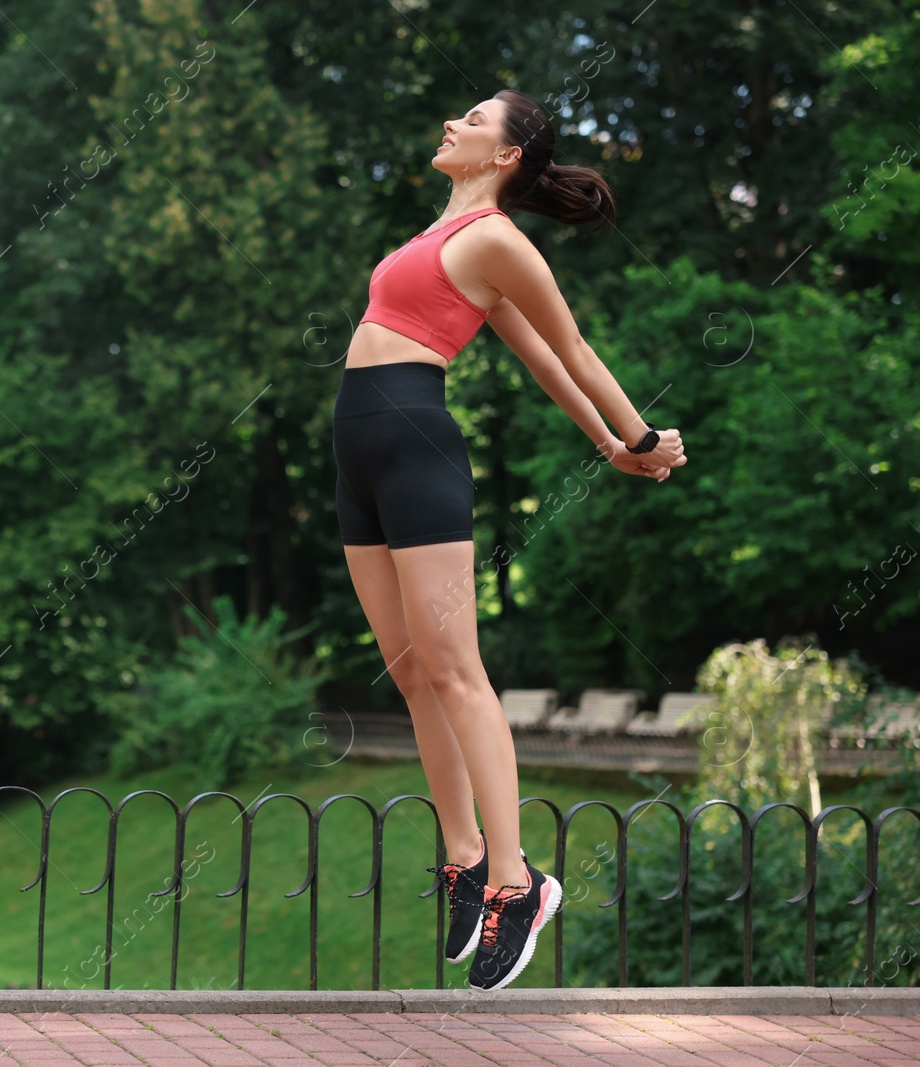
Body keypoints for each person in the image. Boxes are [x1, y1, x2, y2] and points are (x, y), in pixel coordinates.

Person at [331, 88, 687, 990]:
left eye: (477, 118)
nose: (455, 122)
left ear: (507, 155)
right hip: (360, 452)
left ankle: (515, 879)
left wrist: (637, 439)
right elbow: (530, 355)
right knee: (410, 670)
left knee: (455, 670)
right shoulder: (439, 236)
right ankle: (462, 852)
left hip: (414, 446)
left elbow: (570, 347)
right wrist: (602, 446)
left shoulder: (494, 238)